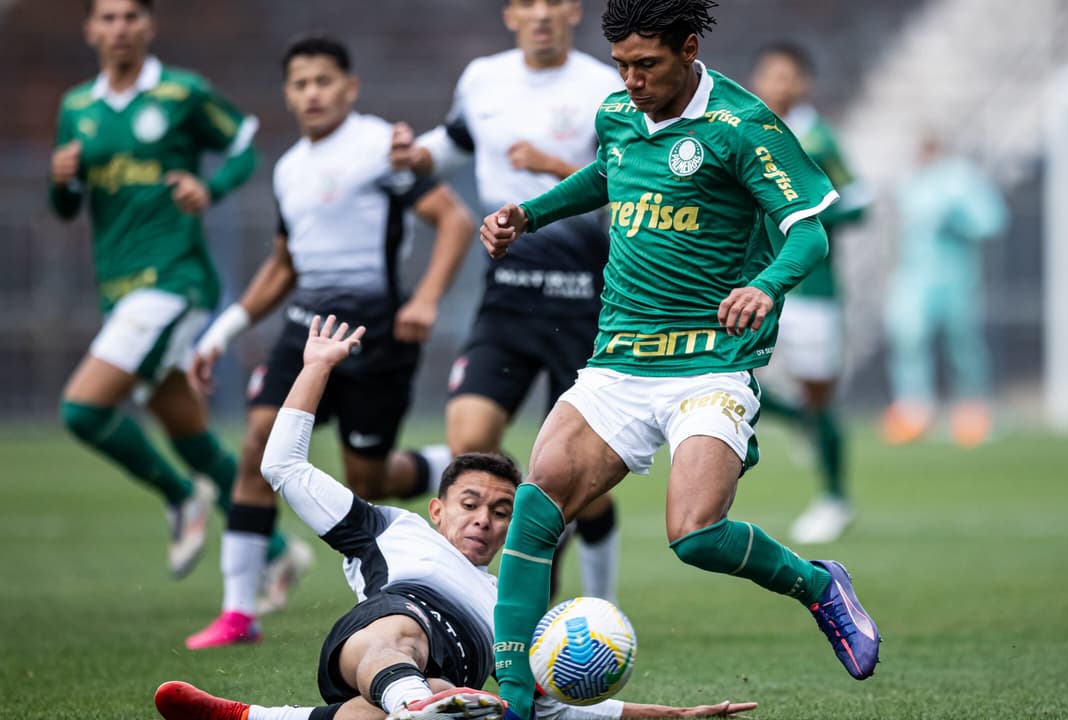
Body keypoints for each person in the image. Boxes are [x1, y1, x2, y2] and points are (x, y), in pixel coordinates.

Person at [477, 2, 883, 718]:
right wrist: (529, 214)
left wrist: (763, 285)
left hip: (709, 363)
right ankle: (514, 698)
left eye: (648, 65)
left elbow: (809, 234)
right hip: (619, 360)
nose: (632, 80)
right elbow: (605, 176)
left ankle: (818, 586)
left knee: (695, 535)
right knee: (537, 504)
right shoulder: (617, 114)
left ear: (689, 48)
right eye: (622, 65)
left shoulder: (742, 125)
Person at [154, 315, 757, 720]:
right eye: (470, 504)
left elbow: (559, 708)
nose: (485, 521)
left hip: (435, 686)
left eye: (501, 512)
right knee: (402, 636)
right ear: (437, 510)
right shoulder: (390, 530)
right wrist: (316, 366)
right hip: (388, 636)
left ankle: (251, 717)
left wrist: (677, 716)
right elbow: (281, 466)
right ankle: (420, 701)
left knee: (400, 712)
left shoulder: (513, 604)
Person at [183, 36, 474, 650]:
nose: (312, 93)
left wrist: (425, 299)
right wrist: (220, 333)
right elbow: (285, 266)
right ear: (288, 93)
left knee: (365, 478)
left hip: (375, 334)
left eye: (323, 81)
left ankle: (436, 460)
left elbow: (453, 219)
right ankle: (238, 612)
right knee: (259, 448)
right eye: (300, 83)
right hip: (305, 327)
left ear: (349, 86)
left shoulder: (382, 147)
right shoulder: (288, 168)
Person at [389, 0, 624, 603]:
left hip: (585, 295)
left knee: (588, 482)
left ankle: (598, 608)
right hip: (509, 291)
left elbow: (628, 189)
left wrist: (550, 165)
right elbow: (460, 139)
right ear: (510, 12)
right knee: (471, 442)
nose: (541, 13)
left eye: (553, 1)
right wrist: (421, 155)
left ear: (573, 9)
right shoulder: (482, 78)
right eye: (528, 2)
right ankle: (485, 592)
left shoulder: (606, 86)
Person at [48, 0, 266, 578]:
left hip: (174, 280)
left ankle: (179, 496)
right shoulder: (77, 107)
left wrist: (210, 188)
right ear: (91, 29)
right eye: (109, 17)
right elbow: (66, 207)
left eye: (131, 16)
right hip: (119, 290)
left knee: (82, 410)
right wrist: (63, 182)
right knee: (189, 434)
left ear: (149, 25)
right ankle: (273, 555)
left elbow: (245, 142)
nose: (120, 28)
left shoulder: (181, 91)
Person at [748, 42, 870, 545]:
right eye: (769, 74)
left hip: (813, 289)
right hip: (754, 284)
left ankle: (835, 498)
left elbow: (860, 205)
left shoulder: (820, 140)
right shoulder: (746, 131)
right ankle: (795, 419)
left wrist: (805, 212)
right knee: (731, 377)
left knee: (821, 395)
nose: (777, 84)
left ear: (803, 83)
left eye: (787, 76)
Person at [880, 132, 1008, 448]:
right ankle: (914, 410)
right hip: (914, 273)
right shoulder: (909, 181)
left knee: (963, 342)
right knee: (909, 336)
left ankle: (971, 410)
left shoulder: (961, 179)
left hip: (955, 273)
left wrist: (959, 218)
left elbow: (993, 220)